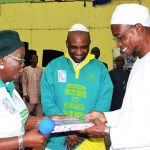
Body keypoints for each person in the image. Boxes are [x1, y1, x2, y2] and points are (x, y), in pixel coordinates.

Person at [82, 3, 150, 150]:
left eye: (121, 37)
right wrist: (105, 117)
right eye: (116, 39)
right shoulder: (139, 62)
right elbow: (132, 113)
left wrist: (108, 132)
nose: (119, 44)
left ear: (138, 28)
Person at [40, 23, 113, 150]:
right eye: (74, 47)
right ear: (66, 43)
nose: (79, 52)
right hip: (57, 141)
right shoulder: (53, 67)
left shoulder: (100, 69)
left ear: (90, 43)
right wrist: (69, 130)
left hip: (90, 141)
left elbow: (103, 105)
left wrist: (80, 131)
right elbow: (48, 103)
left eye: (84, 47)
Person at [0, 30, 61, 150]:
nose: (23, 64)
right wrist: (23, 141)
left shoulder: (9, 88)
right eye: (20, 59)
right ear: (2, 61)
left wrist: (51, 119)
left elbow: (22, 120)